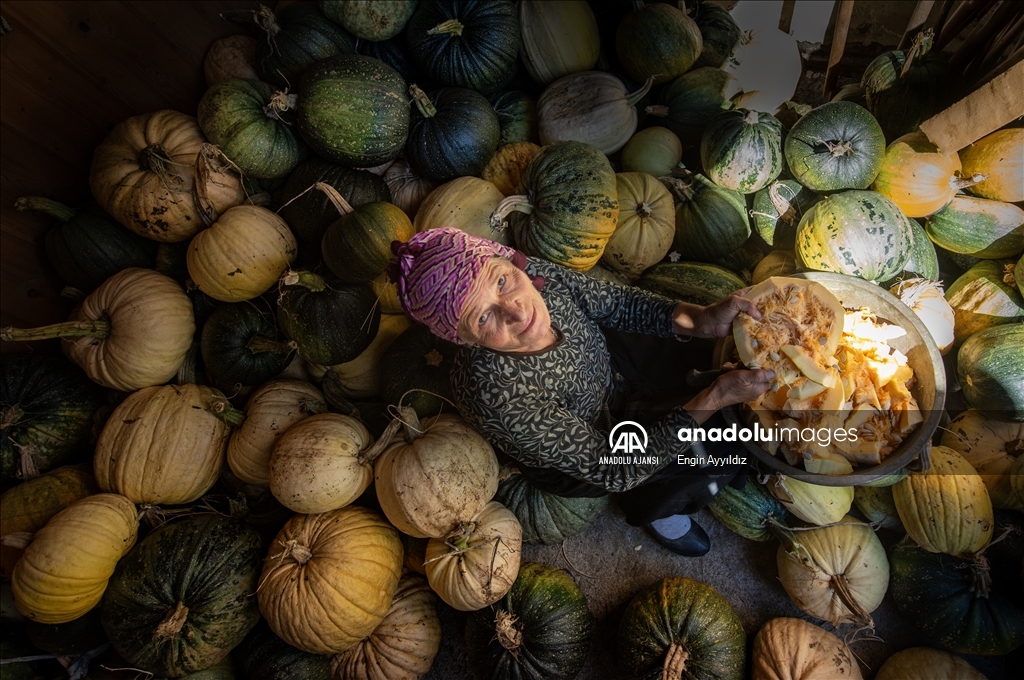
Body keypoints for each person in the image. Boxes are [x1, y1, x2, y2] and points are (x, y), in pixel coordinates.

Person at [388, 227, 775, 556]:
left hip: (604, 363)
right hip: (593, 447)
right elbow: (612, 465)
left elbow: (617, 303)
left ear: (506, 260)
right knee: (719, 445)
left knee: (697, 347)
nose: (518, 313)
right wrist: (714, 398)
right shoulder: (496, 395)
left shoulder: (535, 275)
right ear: (465, 340)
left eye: (501, 281)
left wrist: (704, 320)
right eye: (485, 317)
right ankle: (656, 507)